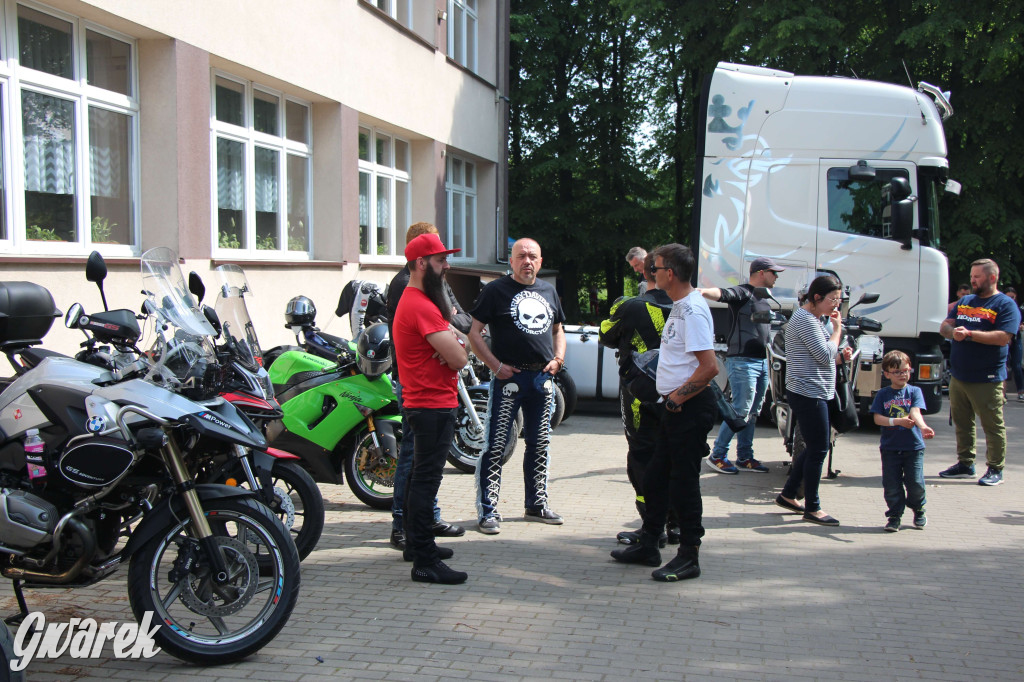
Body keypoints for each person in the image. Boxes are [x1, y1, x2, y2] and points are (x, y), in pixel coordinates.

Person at [610, 244, 718, 582]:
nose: (649, 273)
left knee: (683, 484)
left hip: (687, 408)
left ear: (669, 273)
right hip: (674, 408)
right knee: (655, 477)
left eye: (653, 268)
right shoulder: (680, 306)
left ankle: (689, 556)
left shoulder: (693, 311)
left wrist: (674, 399)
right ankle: (648, 543)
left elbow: (709, 368)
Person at [469, 238, 566, 534]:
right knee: (496, 446)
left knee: (540, 444)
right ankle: (488, 510)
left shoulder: (548, 291)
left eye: (532, 256)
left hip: (541, 380)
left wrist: (559, 358)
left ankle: (536, 505)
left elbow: (557, 329)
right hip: (507, 379)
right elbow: (474, 332)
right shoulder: (495, 291)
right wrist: (494, 366)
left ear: (540, 261)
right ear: (510, 261)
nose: (527, 261)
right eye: (521, 256)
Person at [386, 222, 468, 551]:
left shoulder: (427, 294)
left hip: (432, 399)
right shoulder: (416, 299)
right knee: (420, 473)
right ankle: (417, 545)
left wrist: (453, 342)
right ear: (421, 263)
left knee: (425, 474)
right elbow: (459, 356)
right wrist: (454, 345)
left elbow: (457, 330)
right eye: (440, 259)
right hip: (427, 401)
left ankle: (421, 541)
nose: (447, 266)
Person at [599, 252, 675, 546]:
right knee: (677, 457)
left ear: (647, 274)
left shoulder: (630, 306)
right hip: (683, 395)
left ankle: (651, 529)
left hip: (641, 395)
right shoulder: (692, 307)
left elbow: (605, 335)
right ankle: (677, 524)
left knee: (642, 456)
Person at [774, 275, 851, 527]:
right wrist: (838, 331)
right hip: (809, 393)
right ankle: (813, 507)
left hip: (815, 390)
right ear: (816, 298)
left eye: (839, 300)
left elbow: (823, 357)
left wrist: (840, 357)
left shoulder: (815, 319)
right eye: (832, 300)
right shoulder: (806, 319)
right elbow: (823, 353)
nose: (836, 305)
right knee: (819, 449)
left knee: (814, 446)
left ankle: (788, 494)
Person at [938, 259, 1020, 486]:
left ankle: (995, 468)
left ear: (992, 278)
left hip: (987, 377)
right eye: (972, 276)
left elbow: (1004, 337)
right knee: (962, 423)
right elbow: (945, 325)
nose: (973, 280)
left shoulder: (1004, 304)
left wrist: (971, 334)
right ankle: (965, 463)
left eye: (978, 277)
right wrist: (952, 332)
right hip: (959, 375)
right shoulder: (965, 301)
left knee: (992, 425)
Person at [700, 256, 783, 474]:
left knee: (753, 412)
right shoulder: (744, 292)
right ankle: (717, 455)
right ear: (761, 272)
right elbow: (723, 293)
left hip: (762, 361)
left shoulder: (765, 297)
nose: (776, 277)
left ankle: (745, 457)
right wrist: (699, 292)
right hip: (743, 362)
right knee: (740, 410)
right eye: (774, 272)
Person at [869, 350, 935, 532]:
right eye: (897, 372)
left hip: (913, 447)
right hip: (890, 448)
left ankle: (918, 508)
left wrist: (922, 427)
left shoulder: (915, 391)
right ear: (887, 374)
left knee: (915, 483)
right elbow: (877, 419)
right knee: (891, 485)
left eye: (905, 371)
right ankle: (894, 516)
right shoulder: (883, 394)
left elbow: (915, 412)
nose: (902, 375)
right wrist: (897, 422)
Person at [1004, 286, 1023, 402]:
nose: (1011, 299)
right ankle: (1003, 392)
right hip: (1005, 339)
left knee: (1017, 365)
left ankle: (1021, 391)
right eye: (1008, 297)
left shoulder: (1019, 309)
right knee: (1004, 366)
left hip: (1016, 339)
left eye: (1012, 297)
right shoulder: (1002, 308)